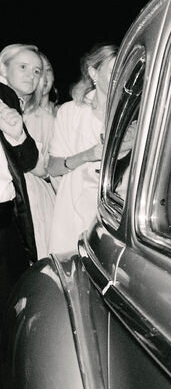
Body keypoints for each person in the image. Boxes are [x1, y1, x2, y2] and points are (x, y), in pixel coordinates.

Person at [48, 43, 117, 255]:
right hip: (74, 212)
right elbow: (53, 167)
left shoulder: (132, 113)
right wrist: (88, 155)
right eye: (113, 70)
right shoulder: (70, 112)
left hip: (115, 213)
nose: (120, 76)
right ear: (93, 72)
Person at [0, 43, 41, 300]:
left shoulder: (10, 101)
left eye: (37, 71)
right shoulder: (4, 95)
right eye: (23, 67)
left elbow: (28, 160)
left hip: (6, 212)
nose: (31, 75)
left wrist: (17, 134)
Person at [22, 51, 59, 256]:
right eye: (38, 71)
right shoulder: (20, 114)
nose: (43, 76)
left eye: (48, 70)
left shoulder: (62, 113)